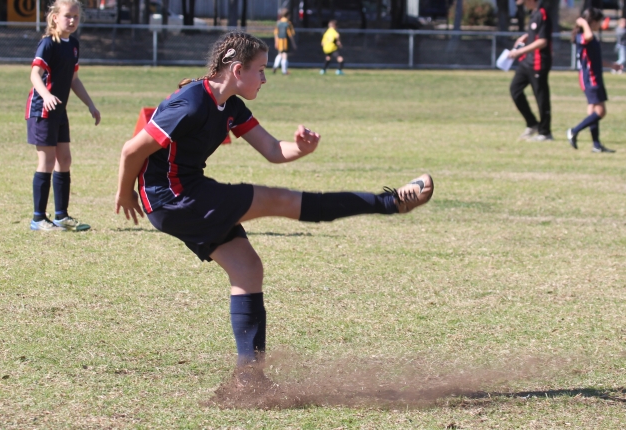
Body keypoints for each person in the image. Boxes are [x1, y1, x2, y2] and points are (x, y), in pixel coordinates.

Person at [114, 32, 433, 386]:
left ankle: (249, 379)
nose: (266, 79)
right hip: (172, 198)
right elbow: (132, 150)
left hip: (187, 194)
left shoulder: (230, 106)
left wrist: (301, 149)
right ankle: (390, 202)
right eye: (261, 70)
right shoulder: (191, 103)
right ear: (237, 70)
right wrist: (125, 192)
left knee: (248, 268)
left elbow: (272, 150)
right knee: (279, 199)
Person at [26, 0, 101, 231]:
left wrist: (90, 104)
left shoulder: (74, 45)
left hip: (59, 112)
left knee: (65, 160)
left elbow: (73, 80)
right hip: (42, 110)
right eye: (68, 16)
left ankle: (61, 216)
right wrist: (46, 95)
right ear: (55, 17)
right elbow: (35, 75)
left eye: (76, 17)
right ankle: (38, 219)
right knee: (47, 161)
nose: (72, 21)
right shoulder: (48, 44)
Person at [567, 9, 623, 153]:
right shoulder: (582, 36)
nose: (601, 24)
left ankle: (596, 145)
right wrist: (584, 23)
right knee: (601, 111)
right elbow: (588, 35)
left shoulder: (589, 37)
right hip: (590, 78)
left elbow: (595, 59)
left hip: (594, 77)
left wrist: (611, 65)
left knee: (593, 111)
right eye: (599, 21)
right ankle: (574, 131)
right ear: (592, 22)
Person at [507, 0, 553, 141]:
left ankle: (545, 133)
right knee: (515, 90)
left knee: (541, 97)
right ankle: (532, 123)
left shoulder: (542, 13)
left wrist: (520, 51)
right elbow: (536, 34)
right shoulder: (533, 13)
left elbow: (543, 41)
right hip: (527, 62)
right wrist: (526, 36)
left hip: (539, 62)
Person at [271, 8, 296, 75]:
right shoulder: (288, 24)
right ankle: (284, 71)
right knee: (285, 55)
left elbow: (276, 33)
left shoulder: (278, 23)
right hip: (285, 42)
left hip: (279, 41)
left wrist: (276, 42)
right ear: (288, 15)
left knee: (280, 54)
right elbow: (290, 35)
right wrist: (294, 44)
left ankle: (275, 66)